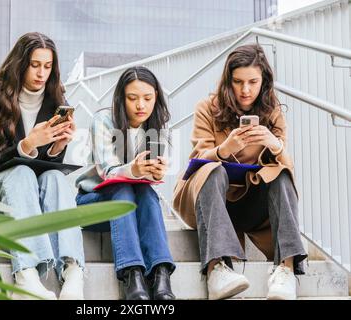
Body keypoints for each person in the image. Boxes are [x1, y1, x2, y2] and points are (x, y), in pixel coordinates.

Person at [173, 44, 307, 300]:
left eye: (253, 82)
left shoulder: (272, 112)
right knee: (212, 168)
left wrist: (274, 143)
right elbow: (197, 159)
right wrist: (224, 150)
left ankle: (286, 269)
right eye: (238, 82)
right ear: (228, 81)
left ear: (264, 81)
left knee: (280, 173)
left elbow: (286, 166)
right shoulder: (207, 107)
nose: (245, 90)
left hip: (250, 204)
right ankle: (217, 269)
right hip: (209, 200)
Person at [0, 32, 85, 300]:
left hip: (31, 197)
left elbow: (47, 166)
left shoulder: (56, 99)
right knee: (20, 172)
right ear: (20, 63)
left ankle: (73, 271)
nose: (42, 73)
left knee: (55, 176)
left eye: (47, 66)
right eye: (35, 65)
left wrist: (56, 147)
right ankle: (26, 274)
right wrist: (27, 144)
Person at [75, 66, 176, 300]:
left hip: (132, 206)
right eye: (133, 98)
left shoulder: (157, 124)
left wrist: (154, 171)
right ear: (121, 99)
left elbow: (147, 175)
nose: (141, 105)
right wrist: (134, 169)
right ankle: (132, 274)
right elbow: (108, 171)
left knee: (145, 191)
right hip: (93, 205)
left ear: (156, 98)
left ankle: (161, 273)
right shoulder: (103, 120)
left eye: (148, 98)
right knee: (121, 188)